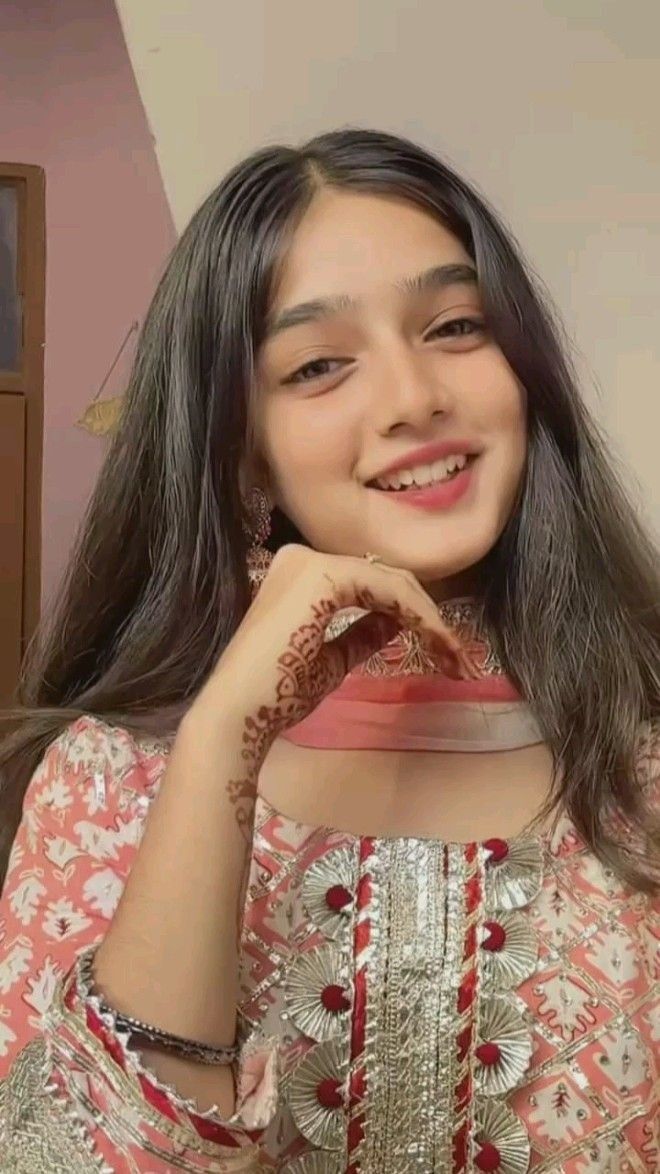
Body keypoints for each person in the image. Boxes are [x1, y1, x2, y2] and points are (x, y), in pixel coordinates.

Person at [0, 128, 657, 1173]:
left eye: (455, 325)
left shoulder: (642, 769)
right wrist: (219, 744)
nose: (413, 399)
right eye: (317, 365)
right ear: (240, 451)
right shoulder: (106, 786)